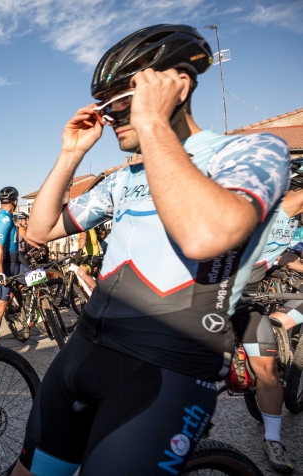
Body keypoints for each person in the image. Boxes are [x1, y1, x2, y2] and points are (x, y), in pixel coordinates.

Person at [18, 24, 290, 476]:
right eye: (106, 106)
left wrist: (151, 122)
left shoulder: (250, 151)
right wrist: (70, 154)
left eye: (125, 98)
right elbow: (40, 230)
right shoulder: (124, 179)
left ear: (178, 85)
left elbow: (205, 237)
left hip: (166, 370)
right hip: (83, 354)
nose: (112, 116)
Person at [234, 189, 303, 474]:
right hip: (214, 298)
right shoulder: (274, 207)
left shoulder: (288, 220)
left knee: (267, 369)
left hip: (247, 300)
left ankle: (272, 439)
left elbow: (276, 254)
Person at [0, 187, 20, 346]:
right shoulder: (5, 219)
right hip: (6, 266)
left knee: (39, 278)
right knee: (0, 305)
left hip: (16, 264)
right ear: (15, 202)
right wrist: (0, 272)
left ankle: (36, 314)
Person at [74, 227, 100, 292]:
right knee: (80, 283)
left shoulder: (83, 223)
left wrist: (79, 250)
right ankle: (87, 301)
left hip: (92, 254)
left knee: (82, 273)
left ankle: (100, 296)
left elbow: (83, 236)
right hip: (84, 255)